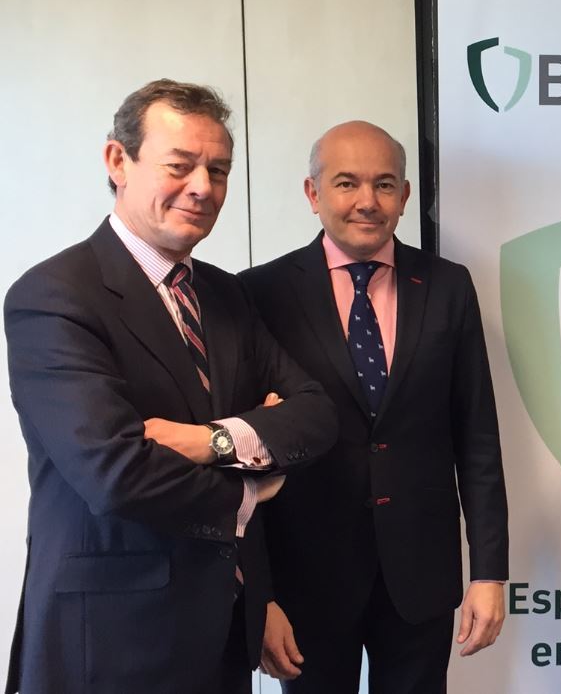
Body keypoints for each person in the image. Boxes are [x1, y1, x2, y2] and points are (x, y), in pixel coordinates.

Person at [3, 79, 337, 694]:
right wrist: (251, 485)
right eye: (180, 166)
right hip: (109, 645)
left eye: (219, 170)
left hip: (223, 633)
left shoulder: (226, 294)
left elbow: (316, 414)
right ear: (118, 161)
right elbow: (115, 472)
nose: (203, 187)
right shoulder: (54, 296)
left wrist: (213, 441)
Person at [240, 120, 508, 693]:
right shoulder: (259, 293)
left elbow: (477, 437)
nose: (368, 201)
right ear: (313, 193)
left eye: (385, 184)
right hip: (306, 579)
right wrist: (258, 593)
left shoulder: (448, 286)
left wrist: (489, 572)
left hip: (420, 574)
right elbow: (247, 454)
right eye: (346, 183)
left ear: (405, 196)